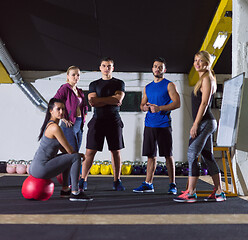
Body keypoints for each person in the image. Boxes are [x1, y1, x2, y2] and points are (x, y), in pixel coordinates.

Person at [173, 50, 226, 203]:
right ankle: (218, 192)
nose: (197, 63)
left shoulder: (207, 78)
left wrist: (195, 124)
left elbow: (204, 103)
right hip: (206, 123)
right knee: (208, 156)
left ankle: (191, 192)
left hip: (205, 122)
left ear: (208, 63)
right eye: (195, 60)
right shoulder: (204, 78)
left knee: (191, 153)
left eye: (200, 61)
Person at [29, 98, 93, 201]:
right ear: (51, 111)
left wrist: (76, 155)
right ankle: (75, 192)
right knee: (75, 157)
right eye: (58, 109)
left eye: (63, 109)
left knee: (69, 157)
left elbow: (64, 151)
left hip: (36, 167)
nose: (61, 112)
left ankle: (65, 190)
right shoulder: (55, 128)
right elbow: (70, 151)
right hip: (41, 168)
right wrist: (80, 156)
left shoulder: (50, 125)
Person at [133, 57, 180, 194]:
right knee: (150, 156)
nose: (157, 69)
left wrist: (159, 108)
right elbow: (142, 105)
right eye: (155, 66)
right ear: (152, 69)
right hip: (149, 125)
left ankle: (172, 184)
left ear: (164, 70)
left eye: (160, 67)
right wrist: (145, 107)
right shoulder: (147, 87)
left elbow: (177, 103)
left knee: (167, 155)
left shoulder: (169, 85)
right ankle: (148, 184)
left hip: (164, 125)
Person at [79, 57, 126, 191]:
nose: (107, 68)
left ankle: (117, 181)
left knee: (115, 151)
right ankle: (83, 179)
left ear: (113, 68)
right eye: (104, 66)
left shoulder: (119, 83)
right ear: (100, 68)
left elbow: (118, 99)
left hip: (114, 120)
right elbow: (92, 102)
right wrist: (111, 100)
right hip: (97, 120)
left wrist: (102, 100)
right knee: (90, 152)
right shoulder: (94, 84)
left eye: (109, 66)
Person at [54, 66, 88, 153]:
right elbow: (54, 103)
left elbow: (84, 106)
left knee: (74, 154)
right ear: (68, 76)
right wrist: (62, 118)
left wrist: (85, 116)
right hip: (69, 124)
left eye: (78, 75)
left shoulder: (79, 91)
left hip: (79, 124)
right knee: (73, 154)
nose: (76, 77)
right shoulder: (65, 88)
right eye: (73, 75)